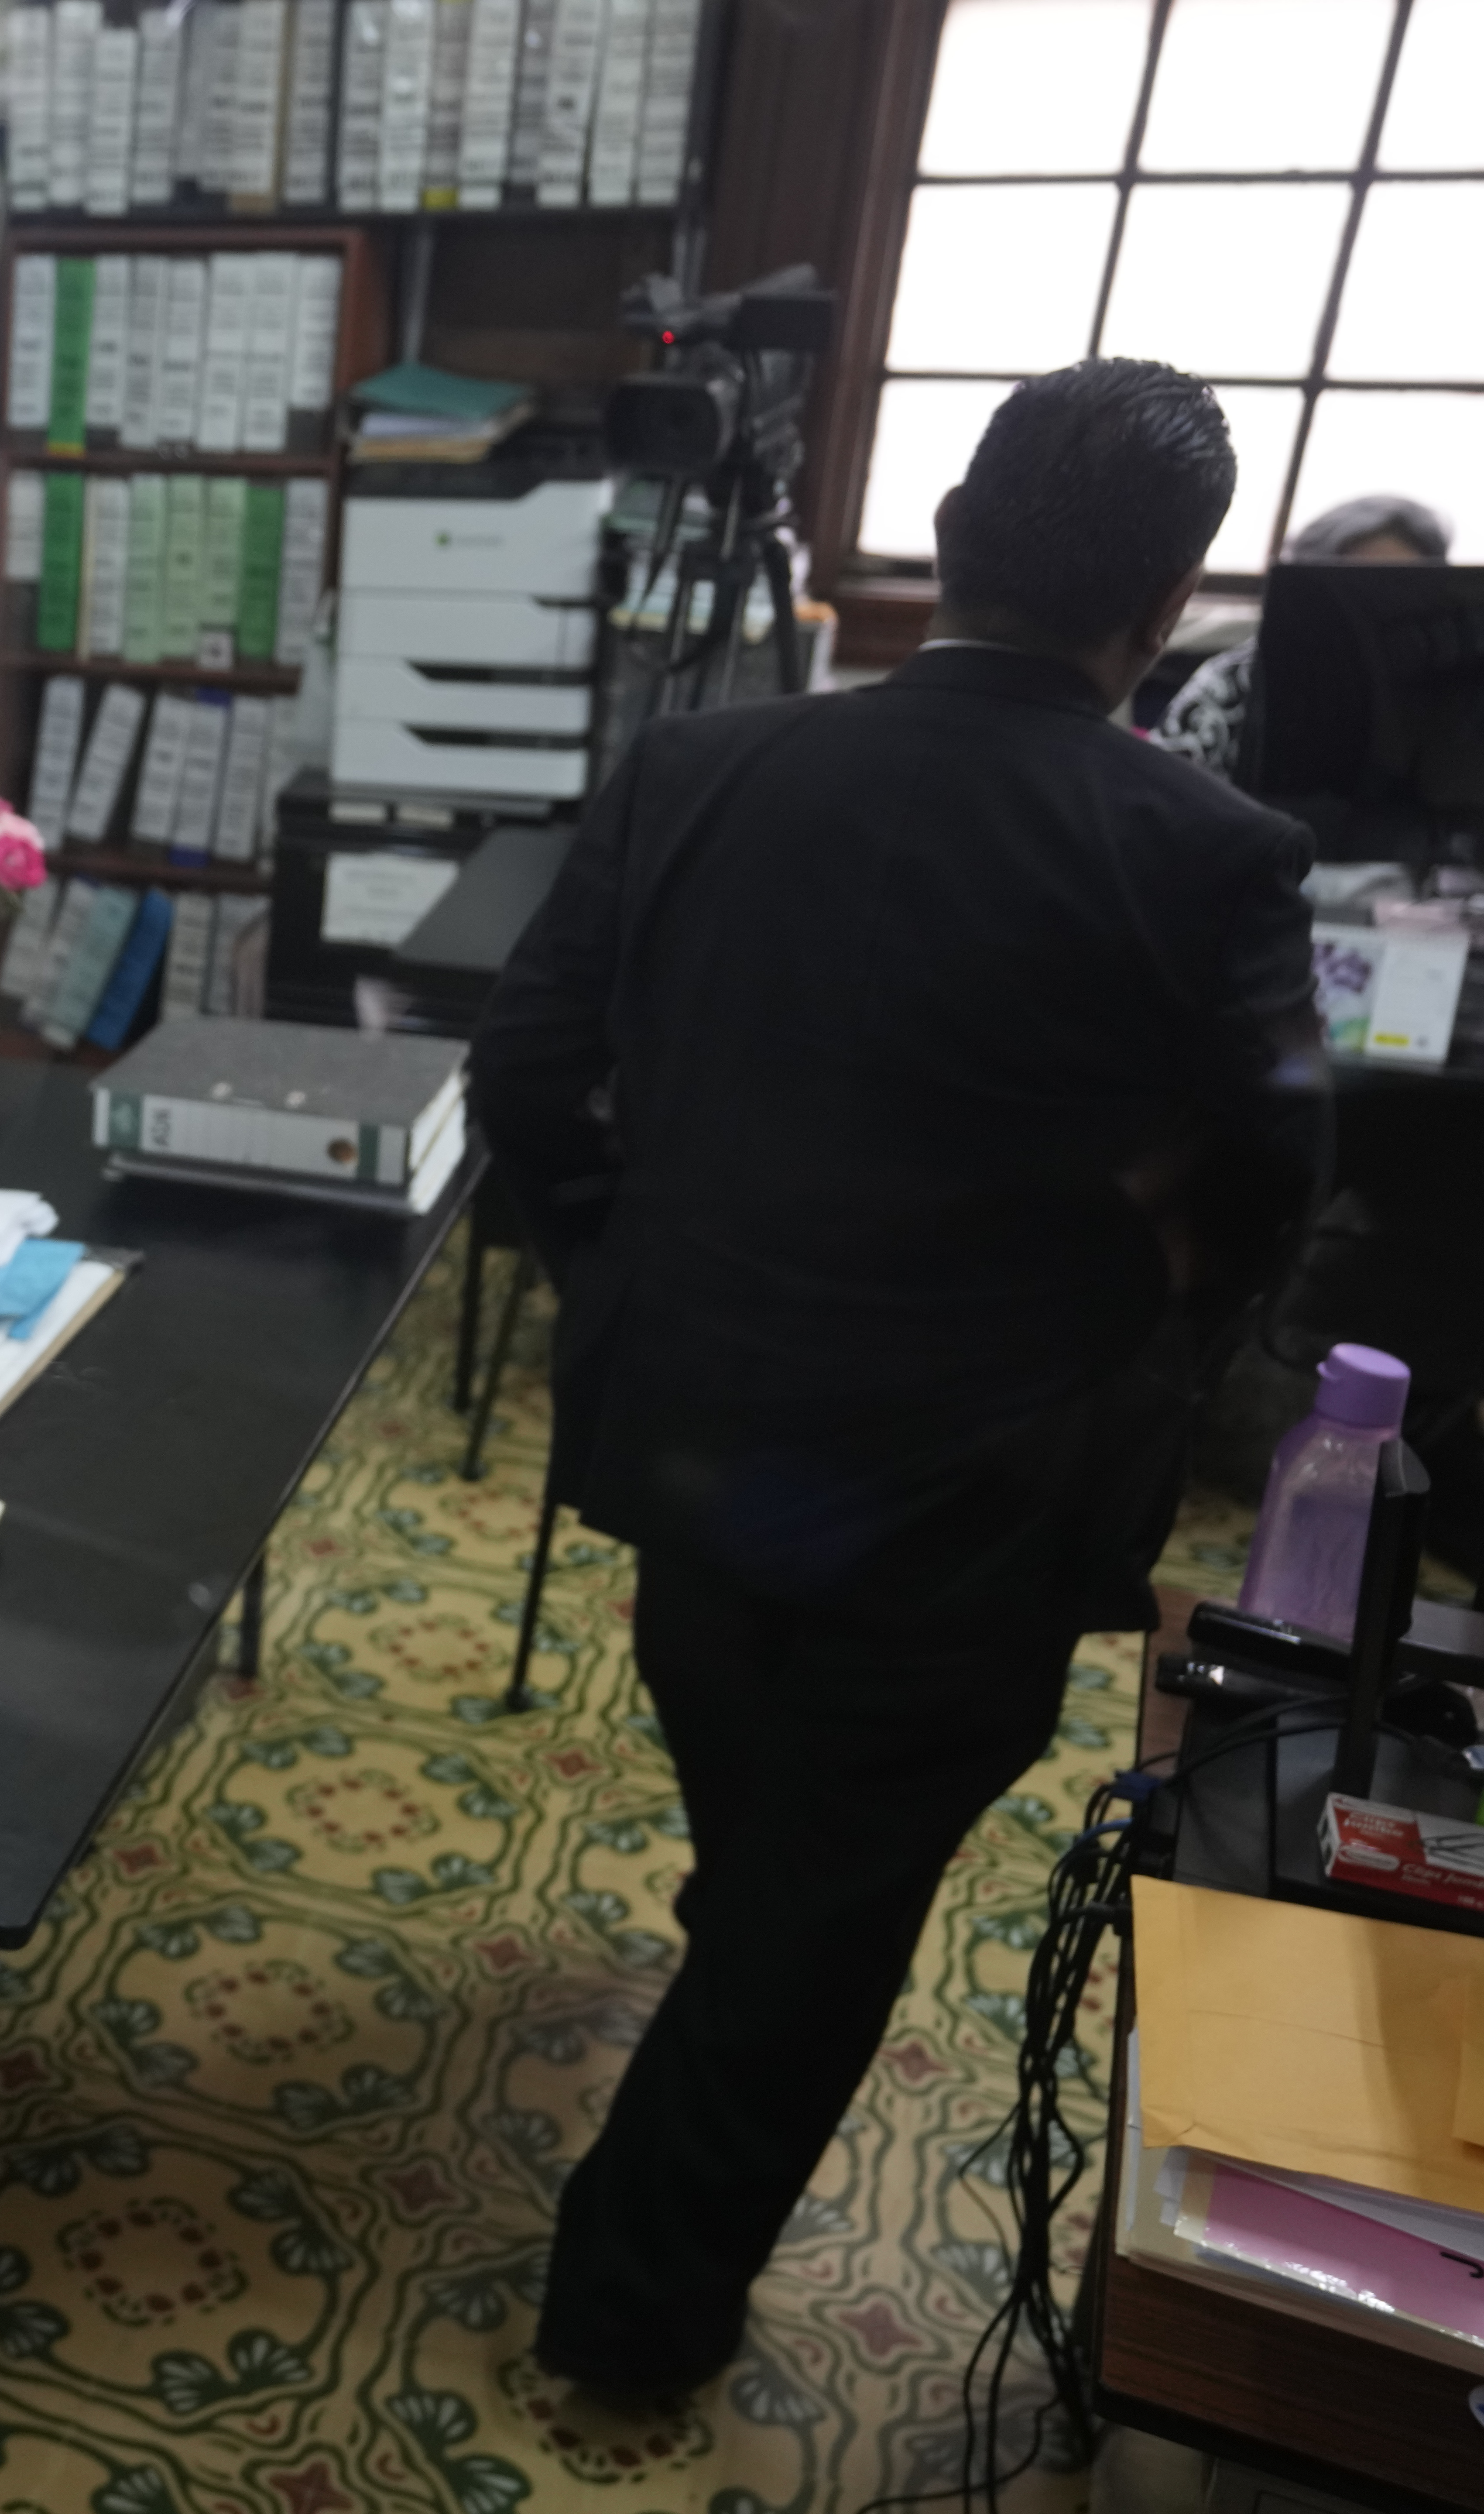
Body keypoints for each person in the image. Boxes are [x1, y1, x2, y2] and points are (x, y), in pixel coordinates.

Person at [470, 359, 1326, 2397]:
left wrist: (622, 1265)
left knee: (772, 1806)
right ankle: (631, 2319)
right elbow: (1279, 1179)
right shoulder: (1213, 852)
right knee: (824, 1915)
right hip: (976, 1489)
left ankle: (744, 1936)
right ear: (1164, 605)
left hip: (694, 1438)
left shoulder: (698, 768)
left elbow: (523, 1079)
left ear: (947, 534)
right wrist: (1155, 1345)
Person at [1153, 492, 1453, 783]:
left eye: (1401, 591)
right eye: (1357, 590)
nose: (1379, 608)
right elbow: (1163, 795)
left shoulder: (1453, 691)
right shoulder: (1236, 682)